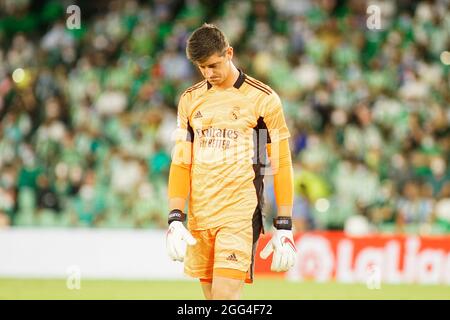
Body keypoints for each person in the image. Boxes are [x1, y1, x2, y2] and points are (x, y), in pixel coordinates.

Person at [166, 23, 296, 300]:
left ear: (229, 53)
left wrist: (284, 223)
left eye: (213, 65)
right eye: (201, 68)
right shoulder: (189, 100)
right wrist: (175, 217)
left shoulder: (263, 100)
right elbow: (181, 162)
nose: (208, 73)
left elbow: (281, 162)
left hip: (239, 213)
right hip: (201, 216)